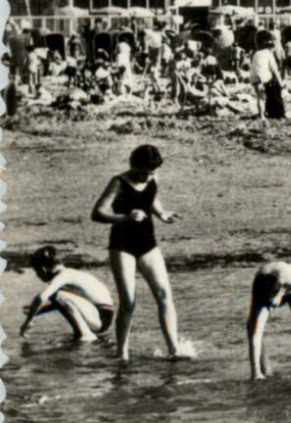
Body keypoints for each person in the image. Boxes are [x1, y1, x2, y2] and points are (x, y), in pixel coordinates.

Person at [91, 144, 186, 361]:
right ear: (133, 165)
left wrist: (161, 213)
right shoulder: (119, 182)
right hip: (122, 245)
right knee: (128, 302)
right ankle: (122, 353)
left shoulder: (153, 178)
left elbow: (150, 198)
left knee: (164, 295)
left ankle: (174, 349)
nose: (146, 177)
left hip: (148, 243)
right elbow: (97, 213)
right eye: (143, 172)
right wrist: (125, 217)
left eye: (151, 173)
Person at [18, 246, 115, 342]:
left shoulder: (63, 276)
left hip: (99, 318)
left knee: (56, 295)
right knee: (58, 296)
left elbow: (41, 297)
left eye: (37, 272)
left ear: (43, 269)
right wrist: (38, 311)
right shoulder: (71, 274)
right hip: (100, 317)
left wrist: (28, 322)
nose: (37, 275)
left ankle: (85, 335)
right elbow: (66, 303)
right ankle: (81, 333)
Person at [247, 261, 291, 380]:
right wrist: (255, 374)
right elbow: (254, 333)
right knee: (255, 327)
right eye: (268, 304)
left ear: (281, 292)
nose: (272, 308)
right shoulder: (260, 287)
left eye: (272, 304)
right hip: (266, 279)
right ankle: (258, 371)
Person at [250, 35, 285, 120]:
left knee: (259, 96)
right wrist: (281, 83)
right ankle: (266, 114)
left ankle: (261, 114)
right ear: (271, 48)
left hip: (254, 76)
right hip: (263, 77)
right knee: (264, 96)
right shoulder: (269, 54)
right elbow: (274, 70)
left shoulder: (257, 53)